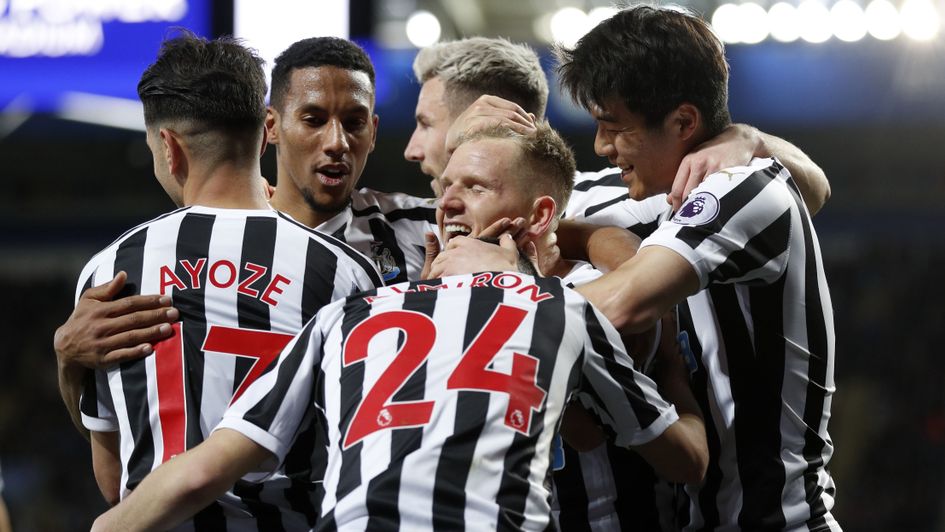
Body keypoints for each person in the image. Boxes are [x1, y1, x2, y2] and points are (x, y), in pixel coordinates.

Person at [431, 6, 840, 531]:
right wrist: (462, 154)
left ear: (684, 122)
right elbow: (527, 212)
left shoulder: (745, 187)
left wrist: (496, 291)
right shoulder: (649, 192)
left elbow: (621, 304)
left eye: (613, 127)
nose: (601, 147)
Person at [90, 231, 709, 531]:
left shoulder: (342, 316)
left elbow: (202, 471)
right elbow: (687, 462)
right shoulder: (559, 307)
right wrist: (678, 373)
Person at [73, 33, 383, 529]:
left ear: (169, 148)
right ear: (264, 135)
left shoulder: (111, 271)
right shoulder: (343, 272)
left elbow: (113, 481)